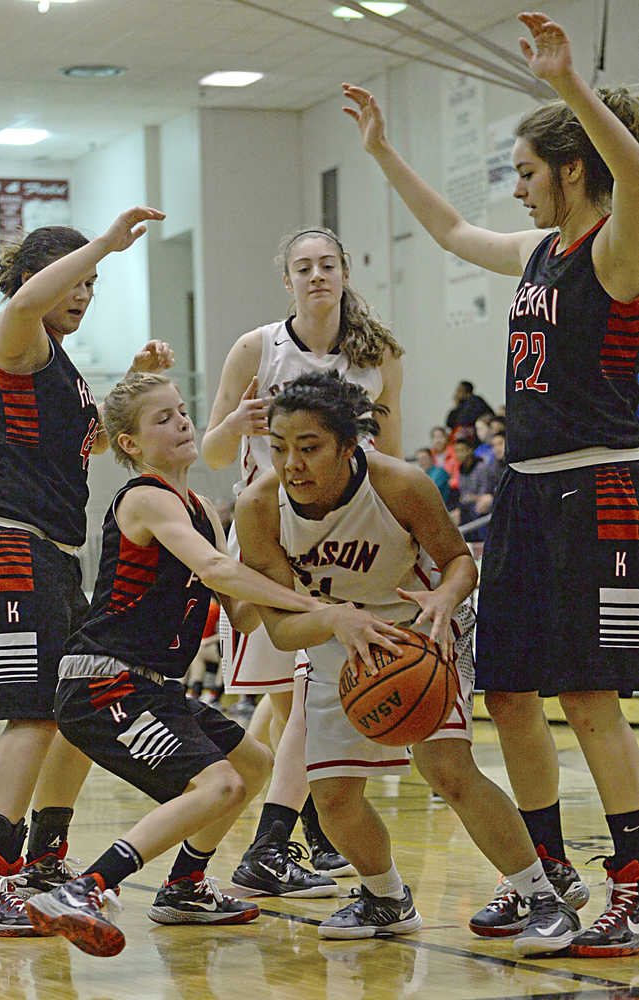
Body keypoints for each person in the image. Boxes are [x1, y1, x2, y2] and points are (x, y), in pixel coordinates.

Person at [344, 9, 639, 956]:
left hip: (600, 491)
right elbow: (447, 230)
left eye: (525, 172)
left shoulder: (616, 249)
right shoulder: (533, 254)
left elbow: (635, 172)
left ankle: (633, 886)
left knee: (589, 699)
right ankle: (546, 875)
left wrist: (567, 87)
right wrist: (383, 152)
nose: (516, 190)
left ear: (573, 168)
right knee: (507, 693)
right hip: (521, 496)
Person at [22, 372, 390, 957]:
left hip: (154, 686)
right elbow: (217, 572)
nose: (183, 422)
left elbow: (240, 614)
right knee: (217, 784)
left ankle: (185, 886)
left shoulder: (204, 513)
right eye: (162, 418)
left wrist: (301, 579)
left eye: (182, 411)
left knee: (253, 761)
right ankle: (86, 888)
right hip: (104, 680)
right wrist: (319, 607)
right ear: (131, 444)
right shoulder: (145, 497)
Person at [234, 370, 579, 954]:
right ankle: (385, 897)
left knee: (447, 767)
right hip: (332, 638)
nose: (292, 464)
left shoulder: (400, 484)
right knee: (332, 796)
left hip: (420, 631)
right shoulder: (260, 507)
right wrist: (338, 623)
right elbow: (280, 627)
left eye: (309, 447)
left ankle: (543, 897)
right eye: (280, 447)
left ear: (350, 446)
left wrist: (446, 598)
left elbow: (457, 563)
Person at [0, 207, 175, 937]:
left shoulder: (62, 365)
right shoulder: (16, 335)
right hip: (7, 545)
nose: (84, 293)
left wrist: (138, 382)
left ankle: (45, 859)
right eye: (77, 279)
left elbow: (90, 444)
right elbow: (23, 301)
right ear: (36, 280)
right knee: (36, 713)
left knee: (73, 708)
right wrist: (103, 242)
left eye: (94, 283)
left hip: (51, 553)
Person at [202, 225, 404, 892]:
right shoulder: (257, 348)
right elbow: (212, 454)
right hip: (271, 538)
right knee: (295, 704)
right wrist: (236, 426)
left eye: (327, 264)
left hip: (349, 543)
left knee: (303, 699)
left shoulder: (378, 356)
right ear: (285, 280)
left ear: (345, 273)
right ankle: (304, 835)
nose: (316, 275)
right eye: (303, 267)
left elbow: (390, 460)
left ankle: (283, 839)